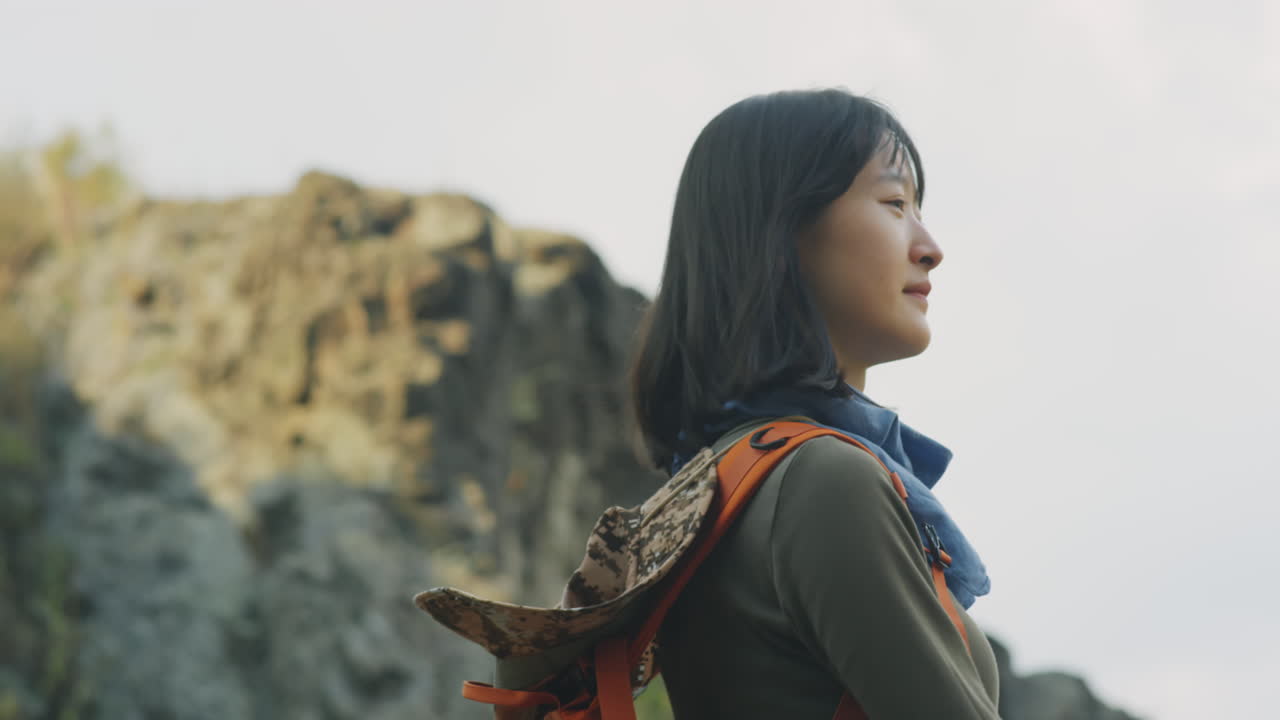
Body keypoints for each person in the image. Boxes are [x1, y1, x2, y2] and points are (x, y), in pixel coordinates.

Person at [626, 88, 1002, 718]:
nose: (930, 245)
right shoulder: (822, 480)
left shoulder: (718, 484)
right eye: (894, 204)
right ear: (783, 231)